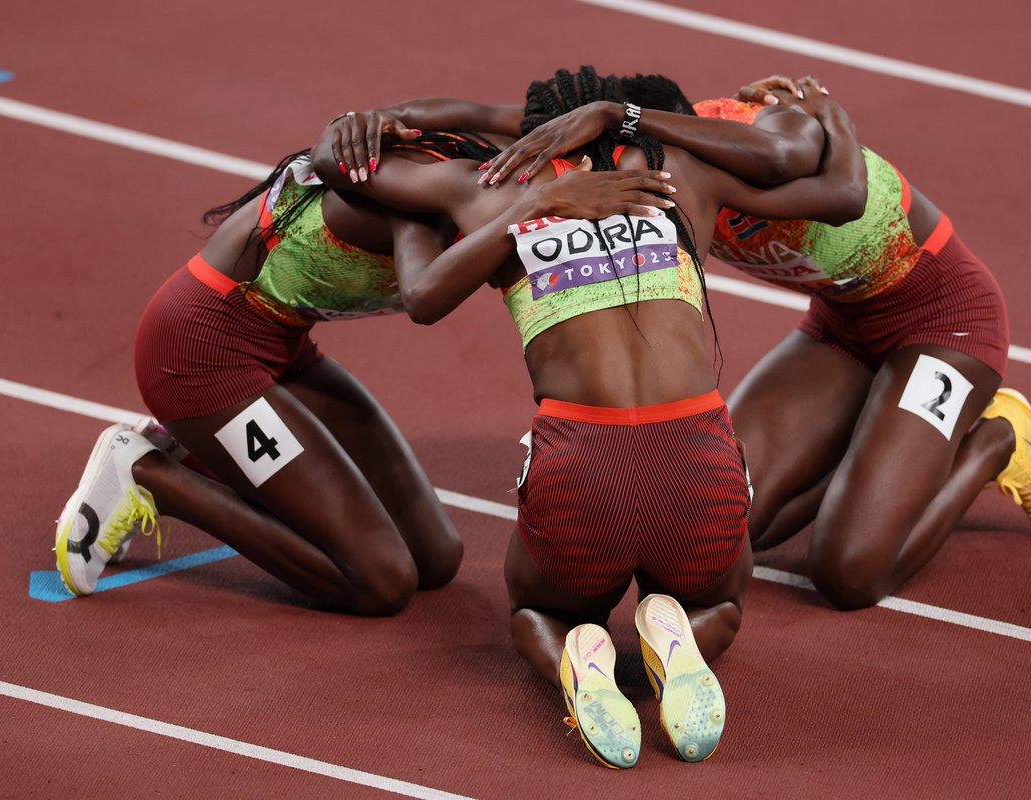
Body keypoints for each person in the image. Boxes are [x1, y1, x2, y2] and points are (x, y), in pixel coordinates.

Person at [311, 66, 866, 765]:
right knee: (720, 602)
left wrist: (352, 125)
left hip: (580, 460)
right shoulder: (684, 169)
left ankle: (574, 648)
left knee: (535, 610)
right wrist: (829, 111)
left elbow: (334, 169)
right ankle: (682, 635)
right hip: (694, 451)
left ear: (536, 126)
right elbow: (842, 193)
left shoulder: (482, 187)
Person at [477, 73, 1031, 611]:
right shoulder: (637, 182)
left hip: (942, 323)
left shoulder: (745, 138)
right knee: (738, 523)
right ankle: (882, 441)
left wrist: (833, 114)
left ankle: (996, 440)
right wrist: (398, 125)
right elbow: (505, 123)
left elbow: (842, 195)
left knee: (848, 572)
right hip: (839, 327)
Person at [53, 126, 671, 615]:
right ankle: (152, 474)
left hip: (282, 348)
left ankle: (200, 447)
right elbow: (426, 297)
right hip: (199, 353)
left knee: (435, 559)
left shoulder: (501, 174)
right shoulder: (428, 192)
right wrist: (536, 204)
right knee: (380, 582)